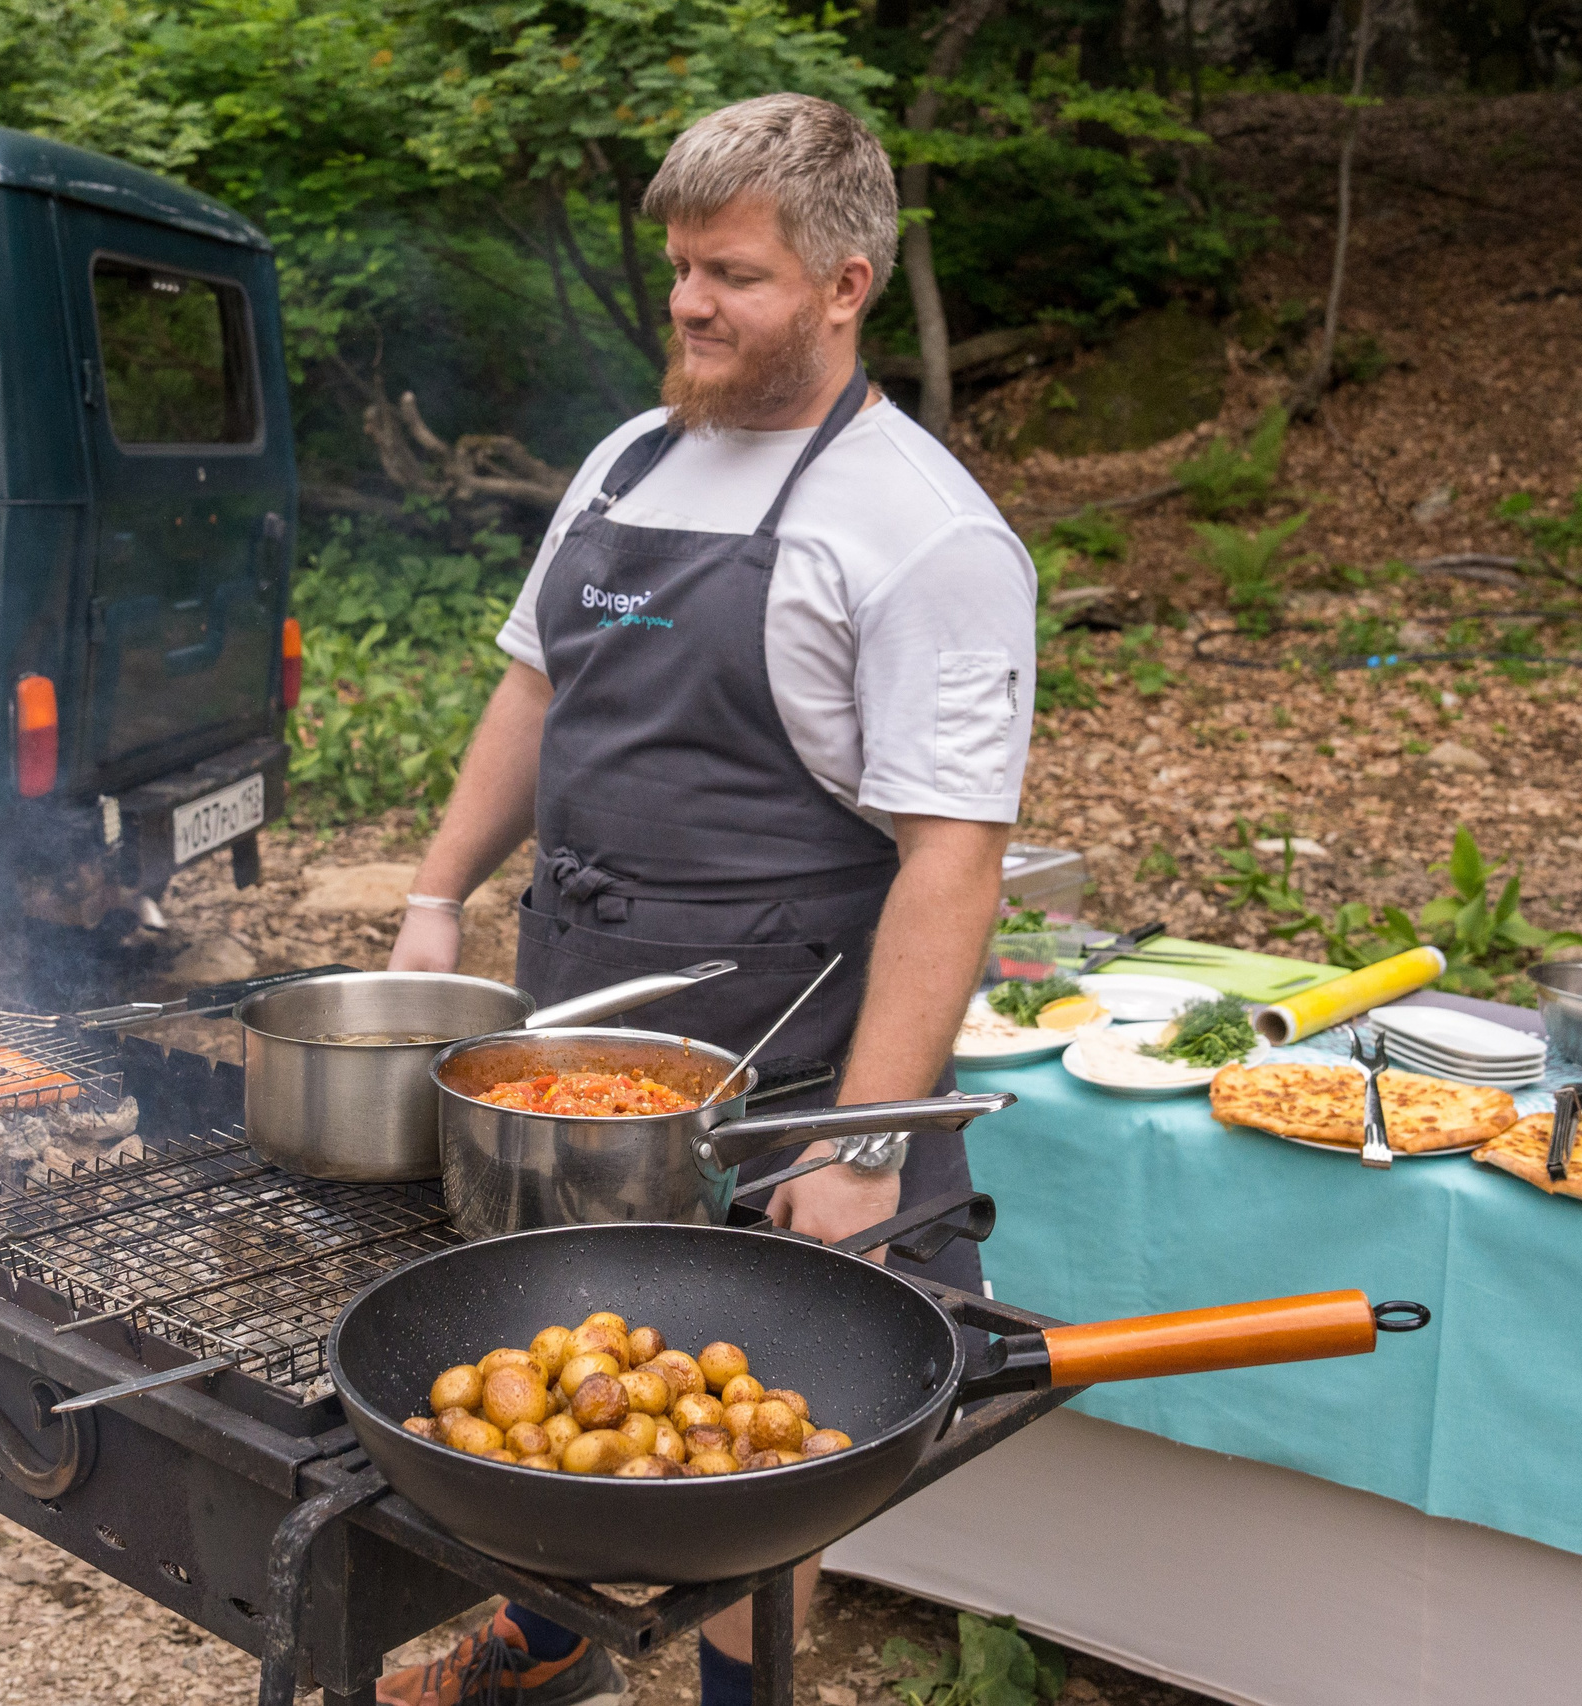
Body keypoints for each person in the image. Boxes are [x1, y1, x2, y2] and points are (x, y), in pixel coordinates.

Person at [371, 93, 1038, 1706]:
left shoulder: (923, 529)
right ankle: (548, 1642)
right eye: (680, 267)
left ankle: (743, 1693)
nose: (687, 303)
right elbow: (537, 689)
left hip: (781, 1075)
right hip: (573, 1041)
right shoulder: (629, 458)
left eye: (731, 273)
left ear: (844, 284)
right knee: (565, 1366)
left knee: (760, 1446)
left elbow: (953, 858)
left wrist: (863, 1141)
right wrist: (438, 893)